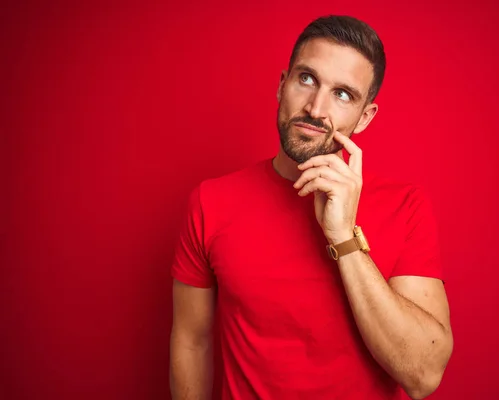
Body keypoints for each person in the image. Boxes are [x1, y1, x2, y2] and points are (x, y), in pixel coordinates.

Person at [169, 15, 453, 400]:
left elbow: (423, 375)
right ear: (282, 85)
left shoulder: (406, 206)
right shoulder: (211, 201)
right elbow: (192, 342)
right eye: (306, 79)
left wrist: (344, 237)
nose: (316, 108)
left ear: (365, 116)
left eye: (343, 94)